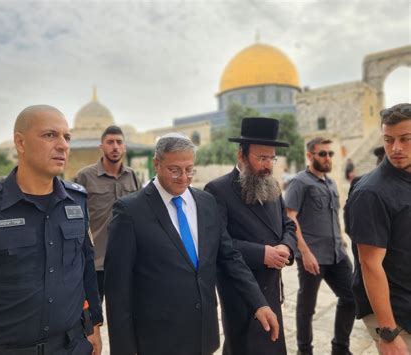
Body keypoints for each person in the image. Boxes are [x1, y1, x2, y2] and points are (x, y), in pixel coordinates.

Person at [0, 105, 103, 355]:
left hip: (70, 347)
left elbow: (84, 268)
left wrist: (93, 325)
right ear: (20, 143)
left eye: (66, 137)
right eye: (50, 135)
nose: (63, 145)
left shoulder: (76, 200)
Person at [104, 133, 279, 355]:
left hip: (202, 337)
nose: (183, 177)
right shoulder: (130, 211)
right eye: (175, 169)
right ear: (157, 164)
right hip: (157, 341)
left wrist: (259, 303)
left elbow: (230, 257)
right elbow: (118, 290)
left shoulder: (206, 203)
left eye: (189, 170)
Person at [205, 117, 297, 355]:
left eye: (271, 158)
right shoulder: (218, 190)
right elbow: (219, 244)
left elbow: (288, 225)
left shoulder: (273, 184)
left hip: (271, 288)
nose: (268, 165)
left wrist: (286, 247)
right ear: (241, 155)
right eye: (261, 158)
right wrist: (262, 253)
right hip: (241, 292)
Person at [345, 103, 411, 354]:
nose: (396, 148)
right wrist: (388, 333)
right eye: (389, 139)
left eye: (405, 139)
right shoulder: (372, 193)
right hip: (394, 313)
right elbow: (370, 265)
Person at [285, 137, 355, 355]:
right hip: (312, 255)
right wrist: (304, 252)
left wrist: (341, 239)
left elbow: (333, 214)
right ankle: (304, 351)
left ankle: (340, 348)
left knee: (352, 297)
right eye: (322, 154)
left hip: (337, 253)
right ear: (309, 156)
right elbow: (290, 217)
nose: (327, 158)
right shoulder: (300, 182)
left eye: (330, 154)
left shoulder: (331, 182)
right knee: (306, 308)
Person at [75, 125, 140, 301]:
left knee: (124, 314)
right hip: (95, 262)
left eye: (119, 142)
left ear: (124, 147)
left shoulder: (132, 176)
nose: (115, 147)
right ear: (101, 147)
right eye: (110, 142)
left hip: (126, 260)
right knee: (92, 319)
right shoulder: (84, 177)